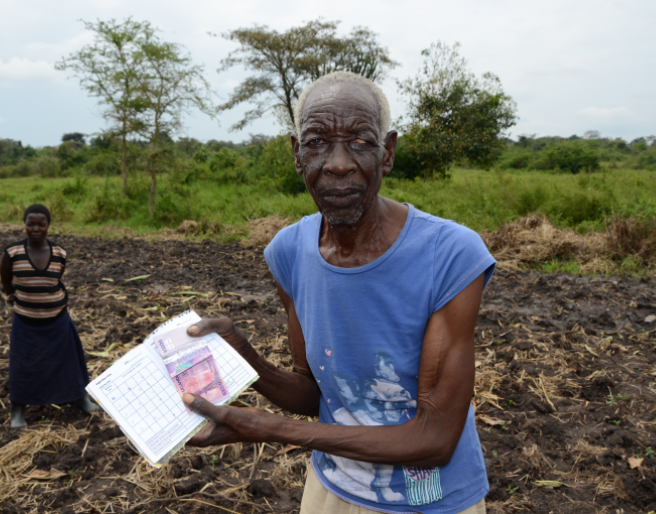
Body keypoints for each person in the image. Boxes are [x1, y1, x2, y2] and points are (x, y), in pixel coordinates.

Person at [181, 71, 495, 514]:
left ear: (387, 153)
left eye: (360, 142)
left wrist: (266, 427)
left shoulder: (450, 255)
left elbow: (435, 439)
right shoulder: (289, 251)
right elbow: (314, 394)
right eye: (317, 142)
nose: (339, 163)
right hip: (332, 490)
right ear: (297, 155)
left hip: (432, 500)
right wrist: (243, 355)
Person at [0, 204, 98, 429]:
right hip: (26, 322)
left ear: (48, 226)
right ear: (24, 225)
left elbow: (55, 279)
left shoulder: (59, 253)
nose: (36, 229)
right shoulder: (12, 253)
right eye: (30, 224)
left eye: (41, 224)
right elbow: (5, 279)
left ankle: (80, 397)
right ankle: (17, 409)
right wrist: (11, 295)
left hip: (57, 320)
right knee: (23, 364)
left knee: (69, 361)